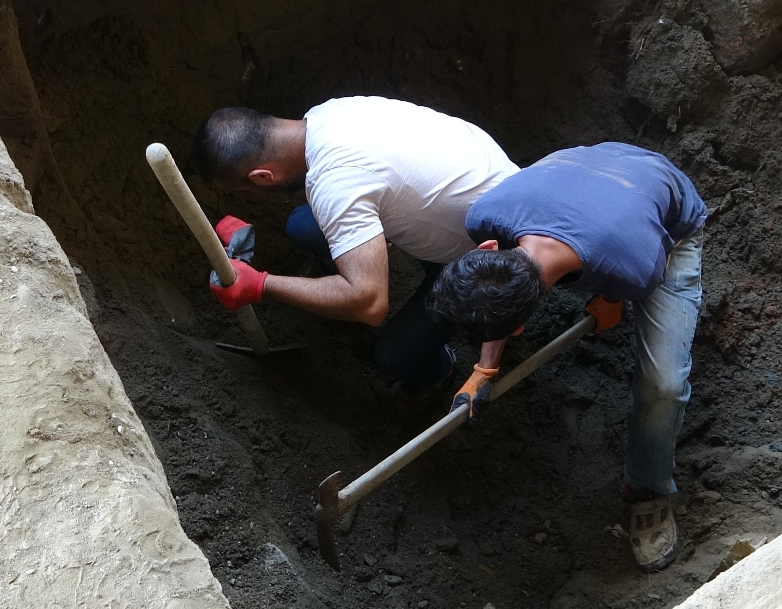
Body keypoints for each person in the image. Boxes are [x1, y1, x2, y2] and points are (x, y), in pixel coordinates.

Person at [426, 142, 706, 572]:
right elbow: (497, 295)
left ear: (486, 248)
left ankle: (647, 488)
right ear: (485, 249)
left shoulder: (636, 268)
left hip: (664, 214)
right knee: (607, 256)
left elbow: (631, 276)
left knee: (663, 385)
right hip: (591, 168)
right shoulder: (486, 214)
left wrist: (613, 297)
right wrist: (485, 369)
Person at [188, 97, 518, 391]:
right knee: (304, 225)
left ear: (262, 177)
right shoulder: (328, 114)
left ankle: (441, 369)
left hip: (490, 259)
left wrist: (260, 285)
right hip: (497, 189)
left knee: (393, 357)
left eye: (247, 191)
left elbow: (371, 306)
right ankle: (359, 260)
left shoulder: (335, 183)